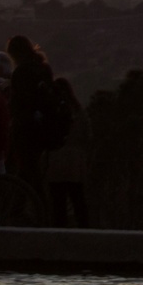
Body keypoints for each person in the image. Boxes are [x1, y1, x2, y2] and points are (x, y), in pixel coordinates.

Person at [5, 35, 55, 202]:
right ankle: (21, 207)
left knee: (27, 170)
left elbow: (18, 101)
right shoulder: (43, 68)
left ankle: (28, 207)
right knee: (30, 170)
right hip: (43, 126)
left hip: (24, 127)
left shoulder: (21, 71)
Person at [45, 77, 90, 227]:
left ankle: (59, 229)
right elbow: (87, 135)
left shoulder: (53, 111)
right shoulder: (79, 111)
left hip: (56, 159)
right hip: (76, 161)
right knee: (78, 198)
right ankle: (84, 229)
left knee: (58, 200)